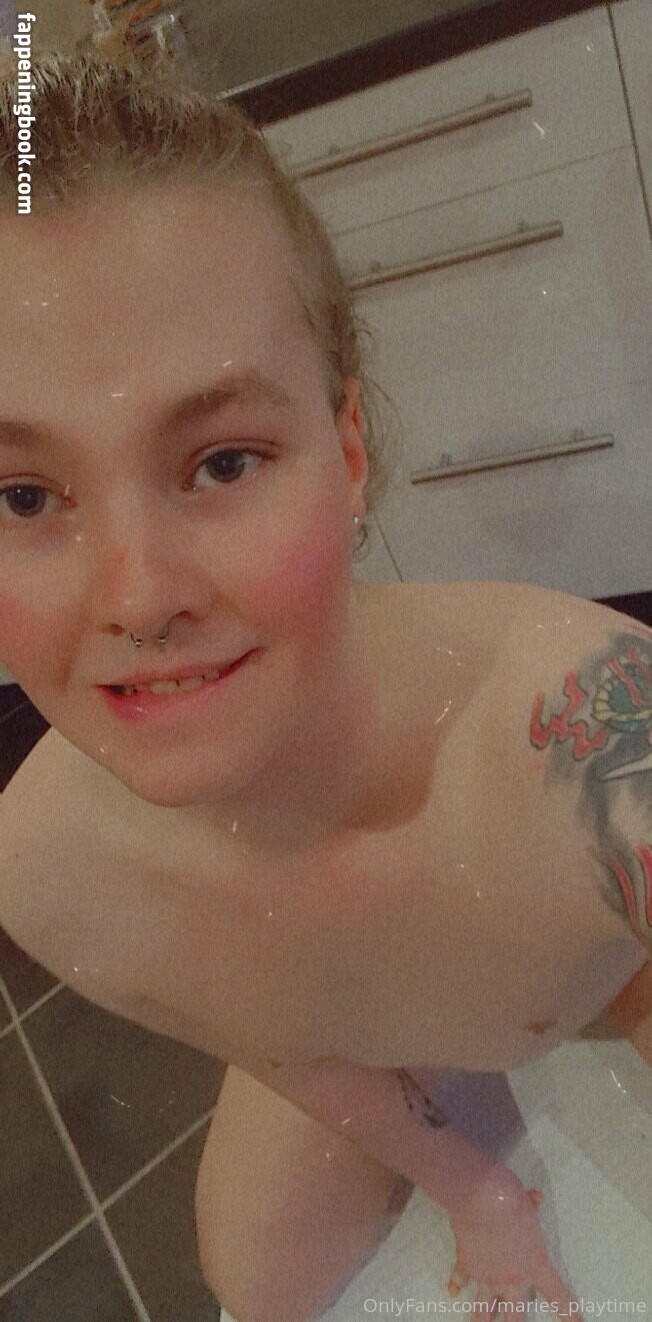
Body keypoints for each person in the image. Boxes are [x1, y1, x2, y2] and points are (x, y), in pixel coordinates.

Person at [0, 40, 650, 1322]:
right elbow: (284, 1036)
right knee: (258, 1279)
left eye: (223, 461)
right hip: (383, 1024)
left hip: (595, 979)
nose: (138, 596)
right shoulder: (47, 874)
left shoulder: (585, 759)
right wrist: (479, 1190)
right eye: (22, 495)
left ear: (347, 452)